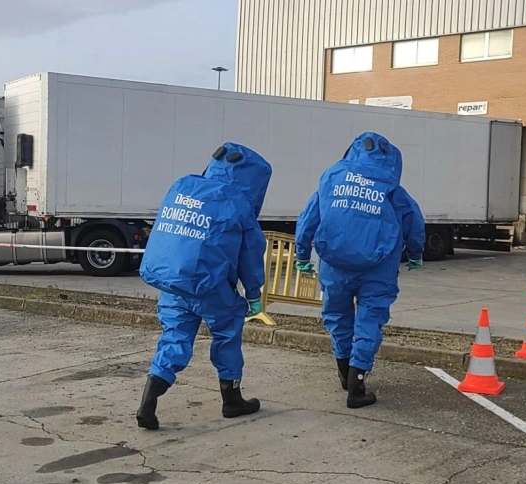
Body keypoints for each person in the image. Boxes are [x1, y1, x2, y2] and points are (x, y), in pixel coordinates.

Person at [136, 142, 272, 430]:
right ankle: (232, 399)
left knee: (174, 338)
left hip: (174, 284)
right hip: (212, 287)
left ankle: (148, 401)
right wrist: (255, 294)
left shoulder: (183, 186)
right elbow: (250, 257)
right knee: (226, 336)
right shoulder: (239, 204)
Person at [294, 131, 425, 409]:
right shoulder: (391, 187)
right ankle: (357, 382)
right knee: (369, 320)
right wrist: (415, 254)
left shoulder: (331, 179)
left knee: (337, 317)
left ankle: (344, 371)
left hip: (335, 263)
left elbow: (308, 219)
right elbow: (414, 221)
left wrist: (302, 254)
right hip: (378, 267)